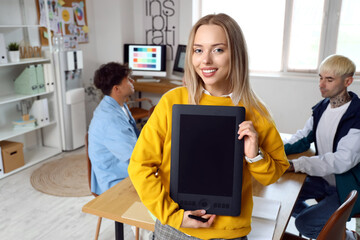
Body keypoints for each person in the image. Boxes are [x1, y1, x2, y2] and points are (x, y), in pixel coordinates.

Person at [128, 13, 289, 240]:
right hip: (175, 229)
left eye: (218, 50)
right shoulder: (172, 102)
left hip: (229, 234)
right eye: (198, 50)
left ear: (236, 54)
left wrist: (254, 155)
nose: (206, 60)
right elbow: (139, 167)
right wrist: (174, 215)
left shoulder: (256, 110)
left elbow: (274, 175)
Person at [284, 55, 360, 240]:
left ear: (347, 81)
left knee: (304, 224)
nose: (321, 84)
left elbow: (342, 160)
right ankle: (329, 225)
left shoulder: (357, 115)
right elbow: (302, 137)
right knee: (285, 199)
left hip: (349, 188)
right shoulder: (322, 107)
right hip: (324, 181)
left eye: (329, 79)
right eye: (320, 77)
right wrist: (273, 149)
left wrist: (297, 164)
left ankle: (348, 237)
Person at [88, 62, 139, 195]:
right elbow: (136, 157)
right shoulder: (109, 119)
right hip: (115, 181)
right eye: (128, 79)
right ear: (117, 89)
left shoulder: (119, 106)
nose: (132, 81)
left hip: (124, 169)